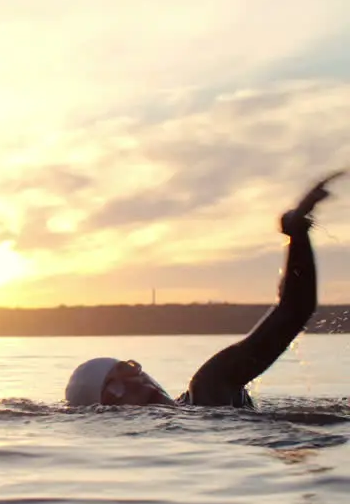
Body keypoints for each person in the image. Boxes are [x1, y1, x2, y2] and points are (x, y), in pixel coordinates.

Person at [65, 170, 344, 408]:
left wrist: (296, 235)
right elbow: (296, 310)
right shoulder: (202, 404)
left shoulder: (208, 385)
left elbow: (293, 311)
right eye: (114, 389)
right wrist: (297, 234)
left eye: (129, 369)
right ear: (106, 412)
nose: (135, 381)